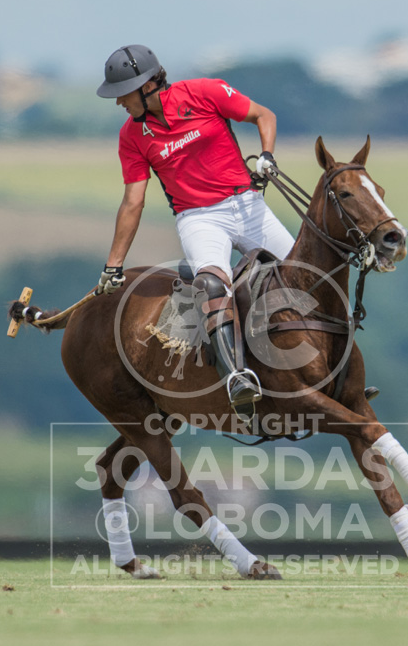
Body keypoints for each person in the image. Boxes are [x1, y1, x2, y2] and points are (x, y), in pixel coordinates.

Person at [95, 44, 295, 418]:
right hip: (198, 218)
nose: (119, 103)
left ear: (148, 85)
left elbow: (262, 115)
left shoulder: (204, 92)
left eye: (123, 94)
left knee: (308, 276)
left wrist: (266, 155)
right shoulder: (132, 136)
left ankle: (340, 369)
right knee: (212, 284)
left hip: (248, 205)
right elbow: (133, 202)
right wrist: (113, 265)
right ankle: (237, 376)